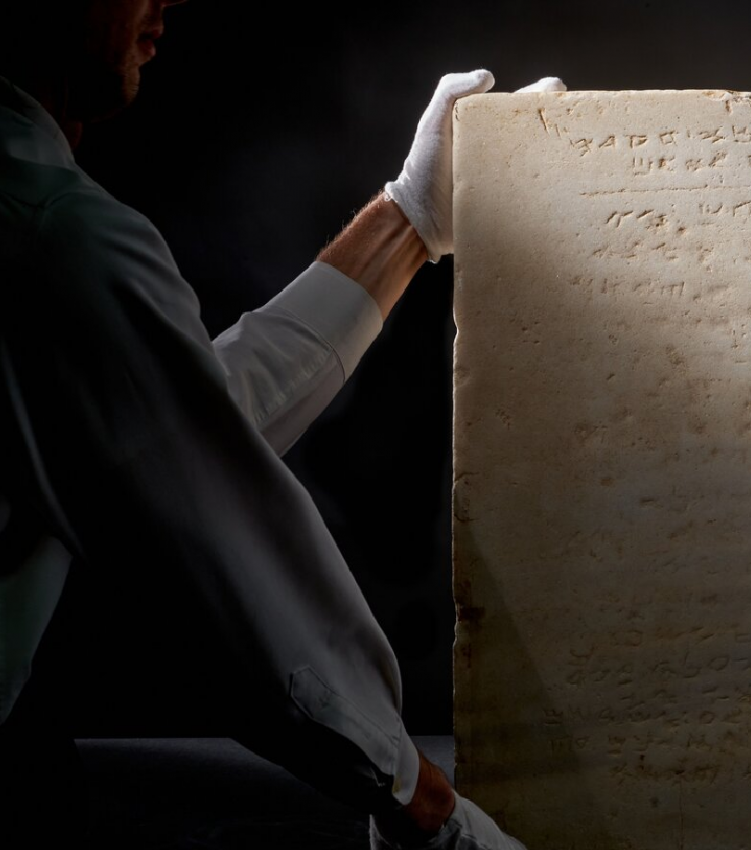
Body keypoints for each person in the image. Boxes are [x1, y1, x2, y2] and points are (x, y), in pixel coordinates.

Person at [0, 1, 563, 847]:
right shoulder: (51, 234)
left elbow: (180, 425)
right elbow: (226, 560)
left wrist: (410, 219)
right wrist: (426, 810)